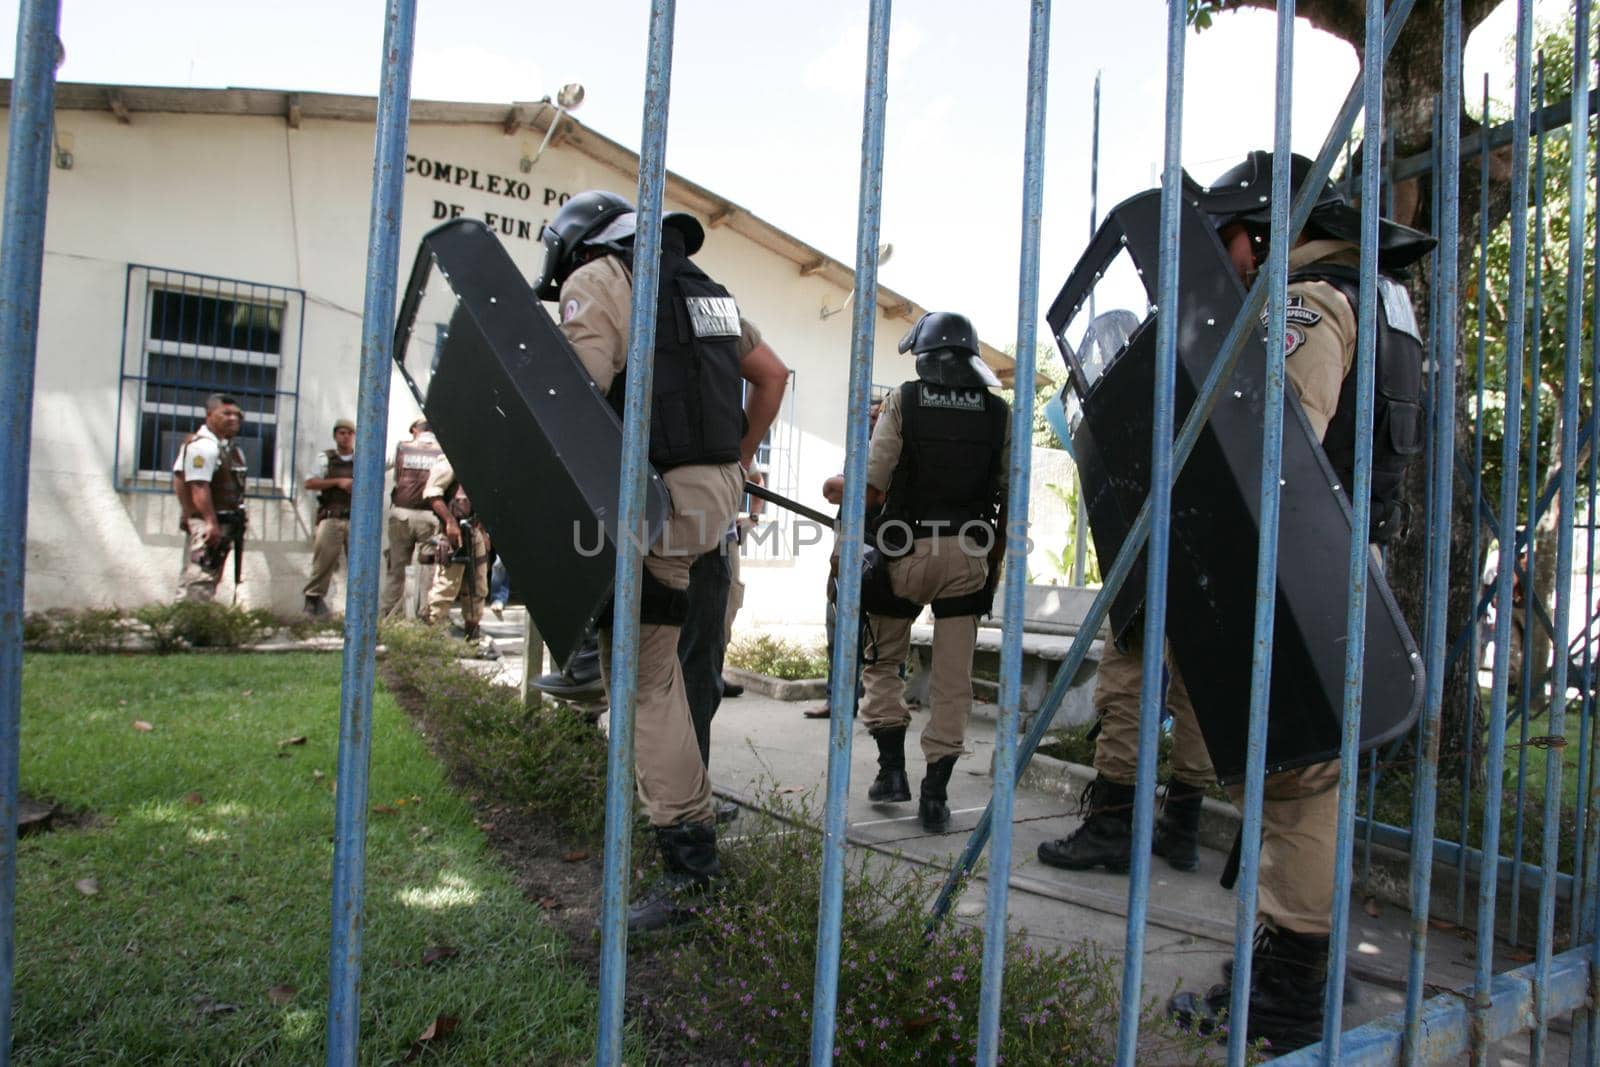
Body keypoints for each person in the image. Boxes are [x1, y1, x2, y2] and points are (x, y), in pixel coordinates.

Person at [1035, 151, 1430, 1052]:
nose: (1230, 264)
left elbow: (1269, 437)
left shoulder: (1311, 298)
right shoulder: (1372, 293)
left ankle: (1290, 983)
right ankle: (1297, 957)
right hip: (1333, 561)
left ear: (1263, 229)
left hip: (1304, 568)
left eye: (1231, 243)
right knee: (1305, 774)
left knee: (1298, 778)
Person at [534, 189, 789, 932]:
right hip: (712, 499)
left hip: (653, 499)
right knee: (680, 657)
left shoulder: (599, 280)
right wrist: (735, 462)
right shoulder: (708, 292)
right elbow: (771, 376)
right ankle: (597, 657)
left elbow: (574, 401)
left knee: (645, 678)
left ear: (580, 247)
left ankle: (691, 870)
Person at [856, 311, 1009, 834]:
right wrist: (993, 565)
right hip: (970, 553)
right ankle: (936, 795)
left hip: (904, 552)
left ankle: (891, 770)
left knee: (882, 657)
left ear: (924, 358)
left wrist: (853, 543)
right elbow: (1008, 497)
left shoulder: (905, 399)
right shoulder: (998, 411)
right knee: (952, 680)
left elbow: (874, 485)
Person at [805, 397, 884, 719]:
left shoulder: (894, 454)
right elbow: (831, 491)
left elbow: (856, 492)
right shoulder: (858, 451)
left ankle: (880, 705)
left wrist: (849, 487)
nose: (871, 421)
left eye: (878, 416)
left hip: (880, 552)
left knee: (881, 632)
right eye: (869, 416)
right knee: (837, 627)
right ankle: (837, 700)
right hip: (846, 552)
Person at [171, 393, 248, 603]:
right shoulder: (203, 447)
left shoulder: (225, 448)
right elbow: (197, 485)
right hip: (211, 523)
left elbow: (179, 477)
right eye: (226, 413)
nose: (233, 419)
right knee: (200, 577)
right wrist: (207, 521)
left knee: (205, 575)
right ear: (209, 415)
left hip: (223, 521)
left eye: (237, 415)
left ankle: (190, 626)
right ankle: (191, 629)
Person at [421, 452, 491, 642]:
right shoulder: (450, 460)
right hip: (453, 532)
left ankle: (473, 635)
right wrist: (450, 522)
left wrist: (483, 531)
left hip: (474, 530)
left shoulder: (481, 462)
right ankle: (431, 636)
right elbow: (432, 494)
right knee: (446, 586)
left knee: (478, 585)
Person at [379, 418, 444, 618]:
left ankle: (388, 614)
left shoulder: (402, 448)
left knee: (396, 567)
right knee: (429, 570)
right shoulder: (443, 451)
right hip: (430, 517)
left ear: (415, 430)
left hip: (401, 515)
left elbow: (377, 466)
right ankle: (426, 614)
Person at [301, 418, 356, 617]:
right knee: (323, 561)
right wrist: (338, 482)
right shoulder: (325, 458)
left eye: (349, 433)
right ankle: (313, 600)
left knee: (359, 564)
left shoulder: (361, 460)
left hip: (356, 520)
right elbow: (310, 483)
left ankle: (357, 606)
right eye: (341, 433)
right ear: (335, 436)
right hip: (331, 517)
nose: (345, 436)